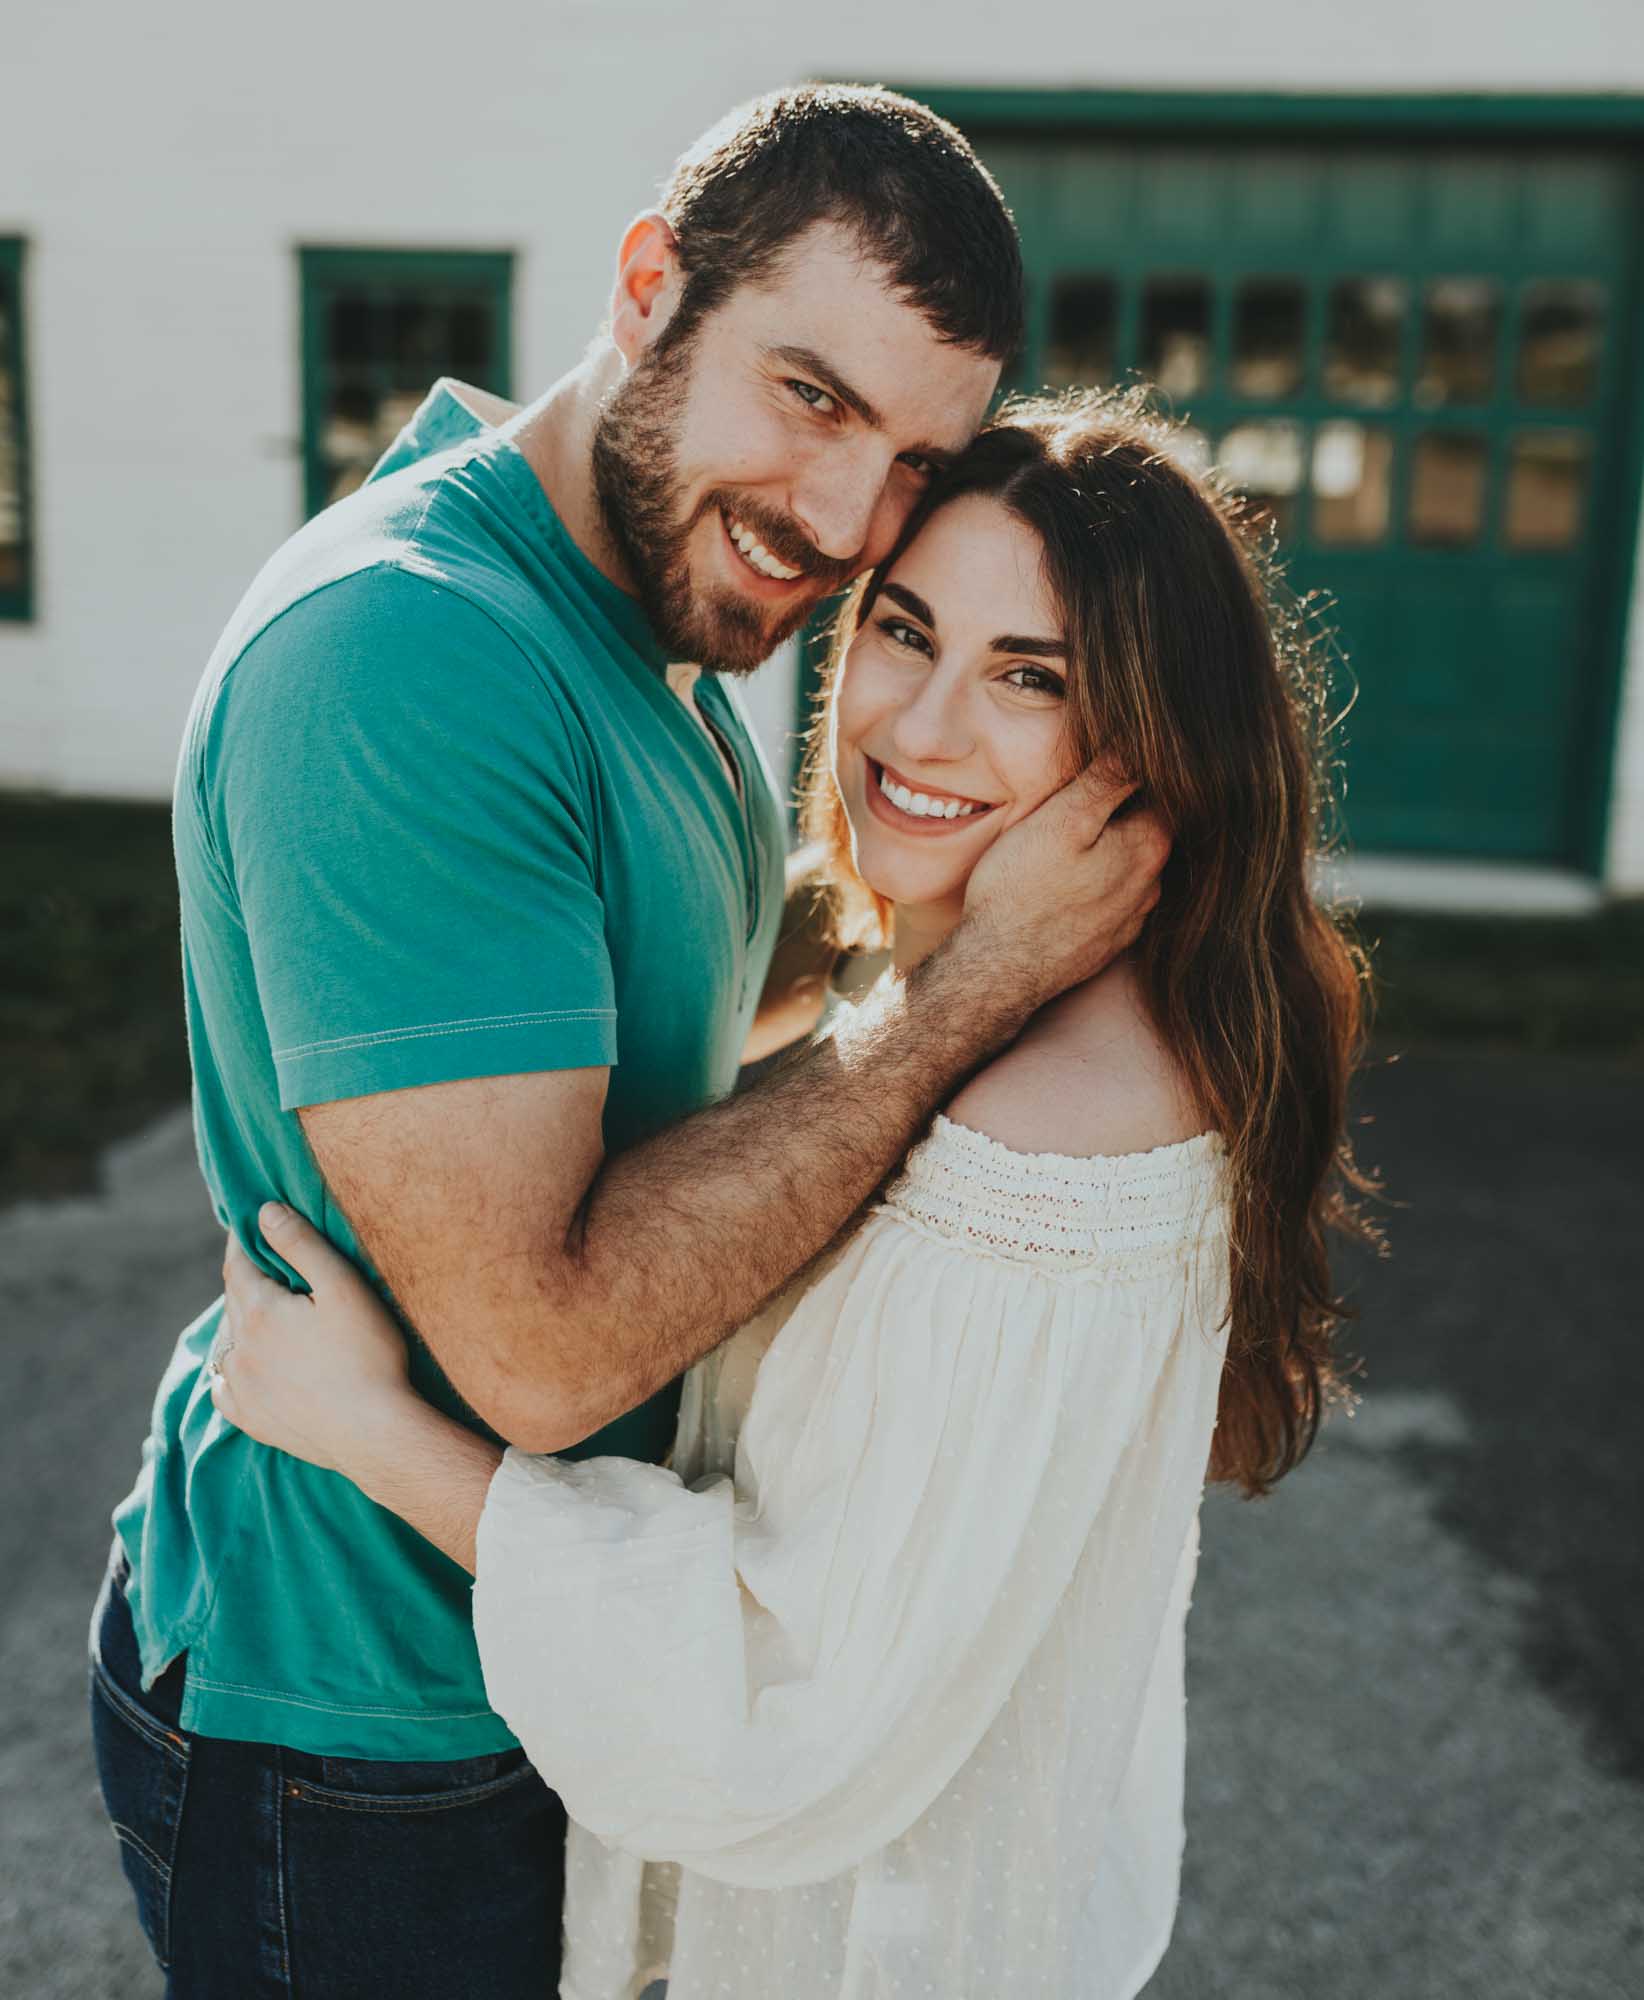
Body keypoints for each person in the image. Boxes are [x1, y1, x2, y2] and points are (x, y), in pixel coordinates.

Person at [88, 86, 1169, 1999]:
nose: (846, 521)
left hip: (537, 1666)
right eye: (811, 396)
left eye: (913, 456)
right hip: (365, 1711)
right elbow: (536, 1346)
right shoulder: (415, 658)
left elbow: (652, 1004)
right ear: (649, 286)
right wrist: (969, 996)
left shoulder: (641, 617)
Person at [209, 388, 1376, 2000]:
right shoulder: (1002, 996)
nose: (921, 727)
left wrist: (375, 1433)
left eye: (1028, 678)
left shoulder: (1048, 1147)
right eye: (905, 632)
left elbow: (785, 1689)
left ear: (1147, 748)